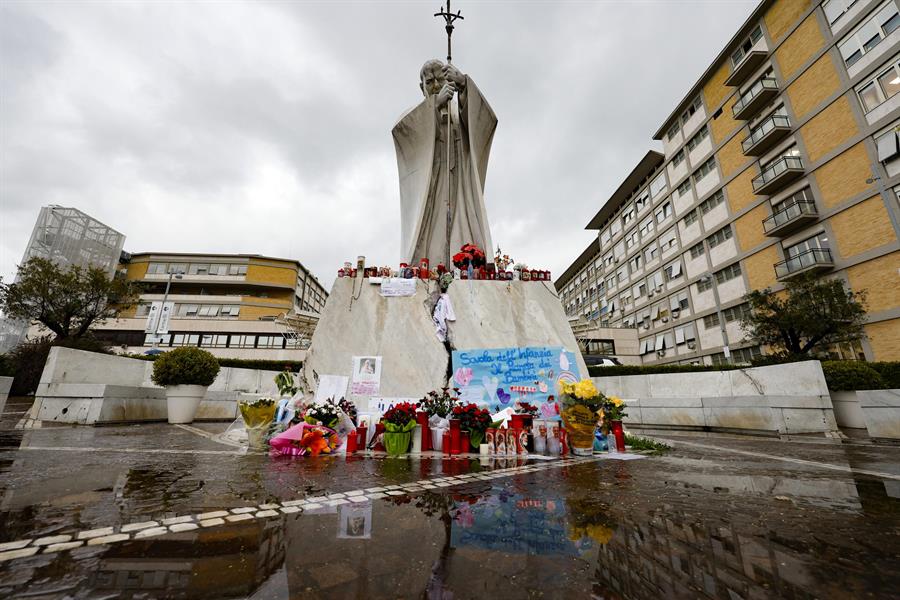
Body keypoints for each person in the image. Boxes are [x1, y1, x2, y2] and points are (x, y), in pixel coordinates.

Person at [393, 60, 497, 267]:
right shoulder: (414, 117)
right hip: (431, 188)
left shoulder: (459, 118)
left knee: (461, 229)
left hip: (459, 187)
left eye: (440, 80)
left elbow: (485, 121)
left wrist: (464, 85)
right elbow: (402, 132)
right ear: (422, 86)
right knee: (431, 237)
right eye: (429, 81)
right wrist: (434, 106)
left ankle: (464, 261)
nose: (435, 86)